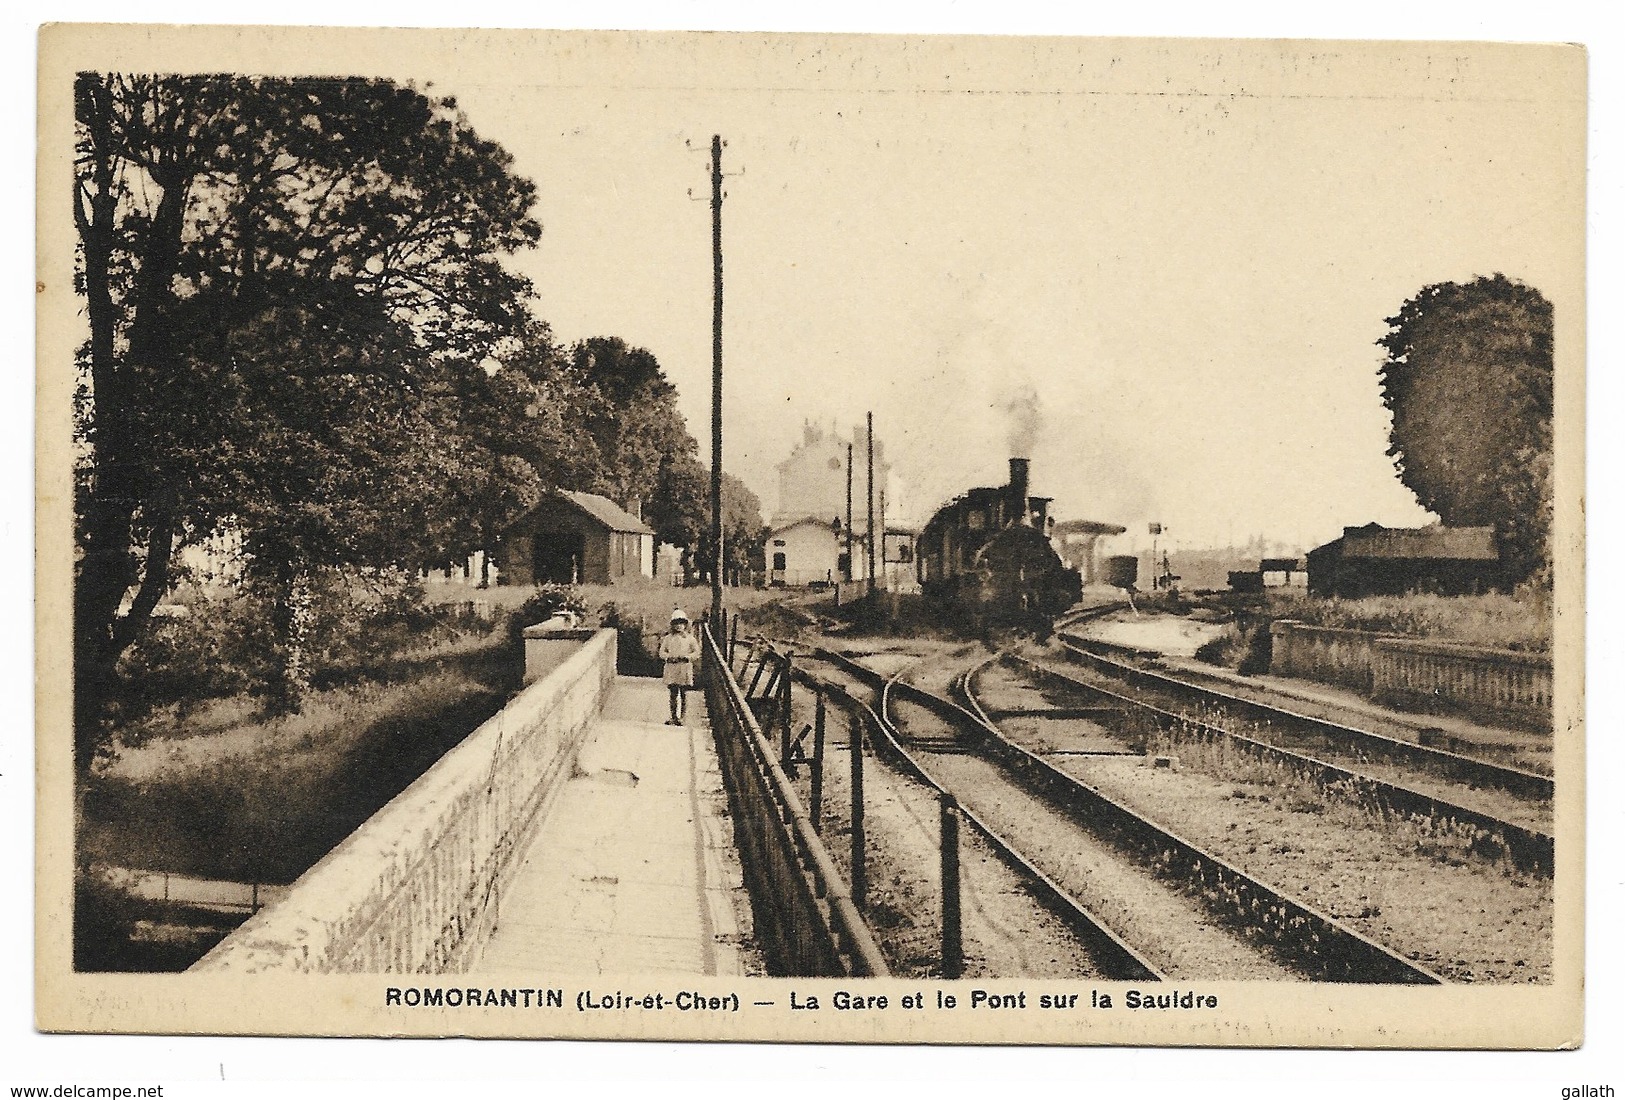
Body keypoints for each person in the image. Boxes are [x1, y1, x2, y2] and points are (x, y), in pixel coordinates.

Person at [658, 609, 700, 725]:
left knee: (683, 694)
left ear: (686, 625)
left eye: (681, 623)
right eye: (676, 623)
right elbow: (662, 652)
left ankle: (682, 717)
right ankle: (673, 716)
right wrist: (669, 657)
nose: (679, 626)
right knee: (673, 694)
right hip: (672, 668)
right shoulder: (668, 638)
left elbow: (696, 652)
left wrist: (687, 657)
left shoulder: (690, 639)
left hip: (684, 668)